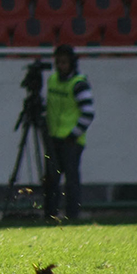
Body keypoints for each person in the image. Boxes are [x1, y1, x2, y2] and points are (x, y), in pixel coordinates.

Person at [44, 45, 95, 220]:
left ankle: (72, 215)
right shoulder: (52, 80)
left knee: (71, 181)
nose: (60, 66)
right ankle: (51, 214)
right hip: (54, 137)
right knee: (51, 180)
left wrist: (73, 134)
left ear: (72, 63)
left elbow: (88, 113)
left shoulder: (79, 84)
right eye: (58, 62)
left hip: (71, 140)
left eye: (64, 62)